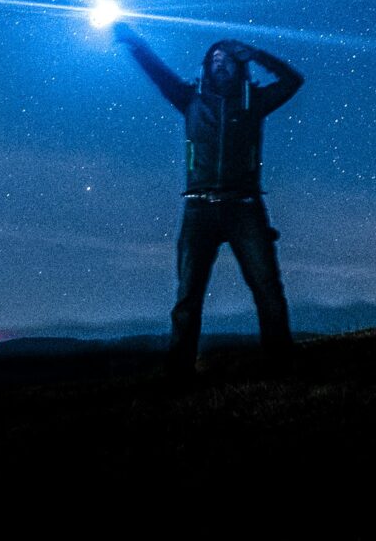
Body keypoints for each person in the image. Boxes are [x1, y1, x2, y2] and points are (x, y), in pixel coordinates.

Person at [115, 28, 303, 374]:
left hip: (245, 207)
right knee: (188, 295)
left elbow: (294, 80)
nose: (221, 64)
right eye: (215, 60)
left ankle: (282, 365)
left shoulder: (254, 102)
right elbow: (159, 73)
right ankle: (179, 371)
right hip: (199, 208)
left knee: (268, 289)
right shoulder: (190, 99)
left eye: (228, 60)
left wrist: (256, 53)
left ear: (239, 66)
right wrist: (137, 43)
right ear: (205, 67)